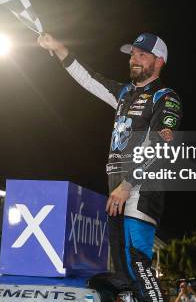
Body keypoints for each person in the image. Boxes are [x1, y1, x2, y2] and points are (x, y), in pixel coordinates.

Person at [38, 32, 182, 302]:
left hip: (140, 189)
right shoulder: (125, 94)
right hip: (117, 188)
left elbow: (162, 145)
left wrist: (127, 185)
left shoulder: (165, 97)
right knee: (123, 272)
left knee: (139, 265)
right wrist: (59, 49)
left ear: (159, 61)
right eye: (132, 55)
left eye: (141, 55)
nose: (133, 60)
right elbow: (88, 79)